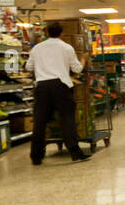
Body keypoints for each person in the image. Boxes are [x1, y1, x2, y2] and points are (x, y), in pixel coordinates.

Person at [27, 21, 90, 164]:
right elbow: (77, 69)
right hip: (61, 86)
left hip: (42, 87)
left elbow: (29, 67)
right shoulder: (66, 47)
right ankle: (75, 152)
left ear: (46, 33)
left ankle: (36, 157)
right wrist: (83, 59)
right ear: (62, 33)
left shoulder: (37, 48)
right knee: (67, 119)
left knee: (40, 122)